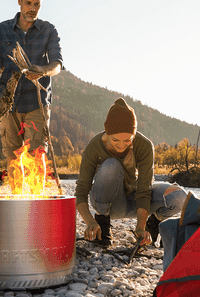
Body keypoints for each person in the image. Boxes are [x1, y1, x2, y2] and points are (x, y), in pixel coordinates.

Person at [75, 99, 188, 247]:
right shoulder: (94, 147)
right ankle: (103, 222)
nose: (121, 145)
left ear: (134, 135)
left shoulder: (145, 146)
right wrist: (90, 222)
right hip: (109, 204)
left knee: (180, 196)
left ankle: (152, 224)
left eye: (128, 140)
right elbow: (81, 191)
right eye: (115, 140)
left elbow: (144, 190)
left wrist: (140, 227)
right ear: (107, 134)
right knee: (111, 165)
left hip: (135, 199)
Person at [0, 0, 63, 165]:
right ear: (19, 1)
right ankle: (16, 194)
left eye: (37, 5)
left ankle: (37, 195)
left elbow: (57, 64)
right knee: (12, 158)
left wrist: (42, 71)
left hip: (36, 103)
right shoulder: (2, 30)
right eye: (28, 3)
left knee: (37, 157)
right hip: (7, 103)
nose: (32, 9)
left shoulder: (48, 30)